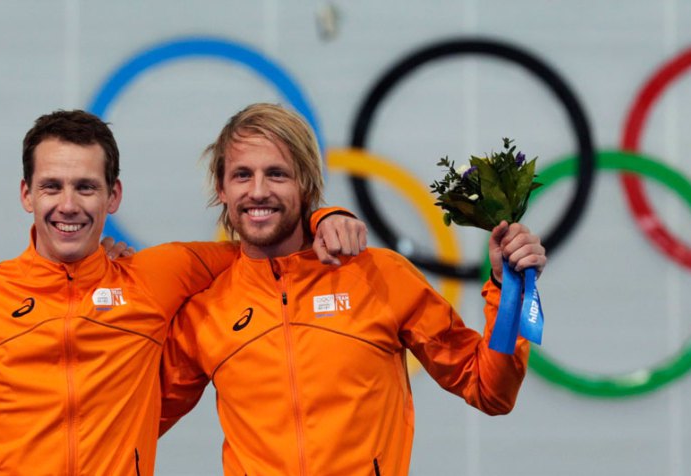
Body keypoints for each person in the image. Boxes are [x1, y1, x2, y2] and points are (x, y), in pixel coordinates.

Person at [0, 109, 366, 474]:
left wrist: (321, 218)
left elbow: (265, 240)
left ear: (114, 196)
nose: (68, 205)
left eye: (86, 187)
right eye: (52, 187)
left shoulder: (155, 277)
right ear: (27, 194)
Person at [159, 103, 547, 476]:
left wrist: (505, 286)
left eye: (277, 174)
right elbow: (132, 418)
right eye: (242, 175)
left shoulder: (379, 276)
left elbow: (490, 389)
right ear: (221, 189)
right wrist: (99, 273)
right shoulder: (206, 313)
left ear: (306, 186)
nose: (258, 191)